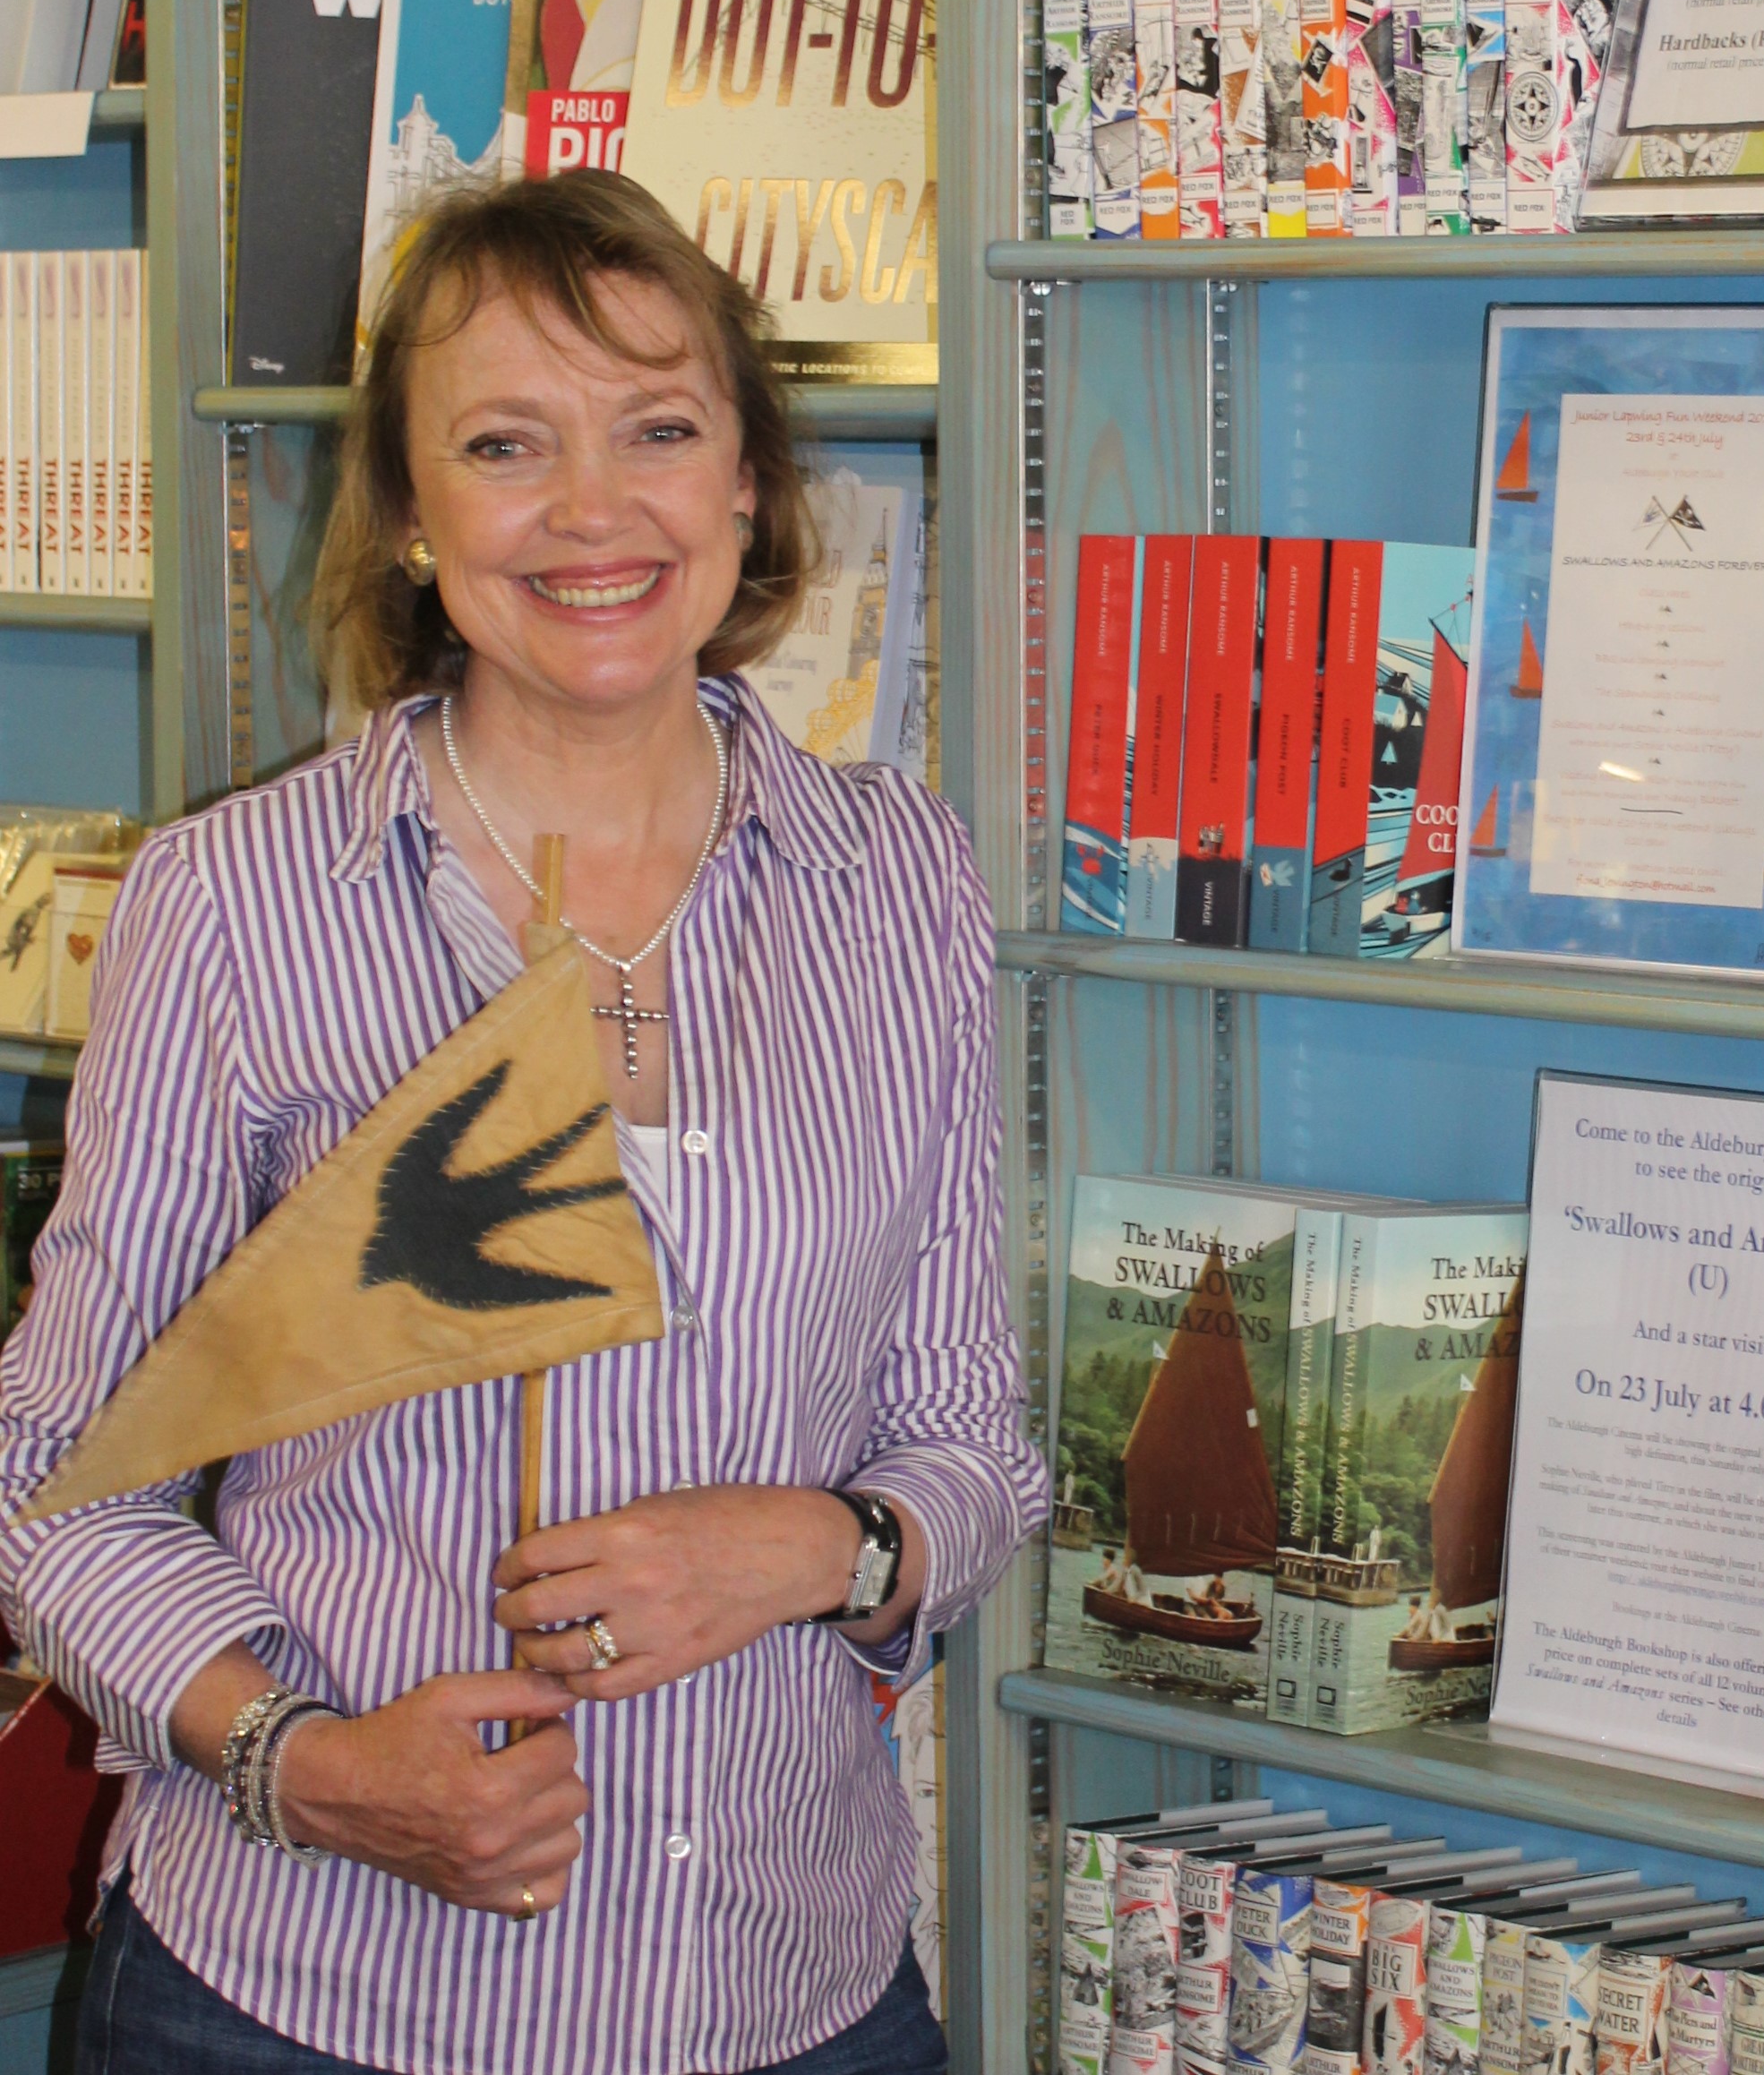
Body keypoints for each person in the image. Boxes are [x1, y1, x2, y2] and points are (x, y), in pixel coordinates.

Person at [0, 171, 1047, 2075]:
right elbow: (60, 1478)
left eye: (659, 428)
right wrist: (301, 1762)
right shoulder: (235, 902)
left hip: (789, 1991)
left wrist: (826, 1542)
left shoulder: (899, 876)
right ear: (407, 514)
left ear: (748, 481)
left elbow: (972, 1437)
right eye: (504, 442)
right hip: (306, 2002)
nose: (591, 511)